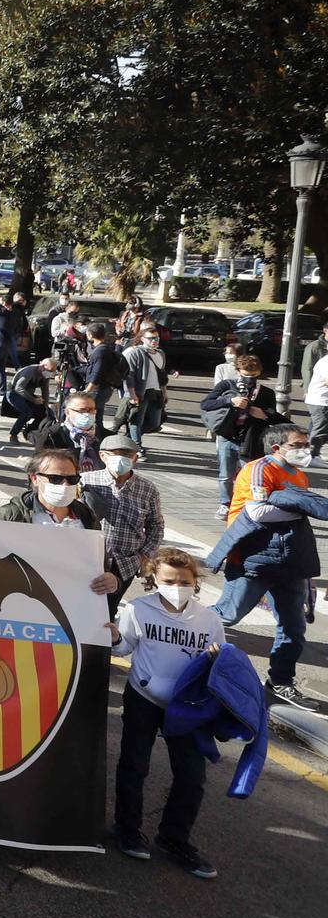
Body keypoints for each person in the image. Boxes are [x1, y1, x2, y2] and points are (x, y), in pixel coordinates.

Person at [111, 547, 224, 878]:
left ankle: (174, 838)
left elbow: (219, 663)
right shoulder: (137, 609)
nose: (177, 586)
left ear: (195, 583)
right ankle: (127, 829)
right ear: (154, 580)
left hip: (187, 707)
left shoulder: (209, 619)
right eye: (169, 580)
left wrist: (218, 659)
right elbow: (123, 647)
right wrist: (116, 636)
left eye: (184, 581)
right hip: (144, 697)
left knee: (192, 776)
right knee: (134, 765)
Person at [207, 423, 319, 709]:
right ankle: (175, 629)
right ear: (276, 448)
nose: (304, 449)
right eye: (297, 445)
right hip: (252, 559)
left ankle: (280, 680)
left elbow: (296, 520)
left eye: (305, 443)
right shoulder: (259, 469)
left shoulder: (300, 476)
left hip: (290, 564)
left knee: (293, 629)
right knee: (228, 615)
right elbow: (257, 511)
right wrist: (300, 507)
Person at [0, 447, 121, 599]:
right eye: (55, 479)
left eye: (72, 479)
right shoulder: (10, 516)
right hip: (20, 605)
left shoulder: (87, 517)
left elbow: (100, 567)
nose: (65, 485)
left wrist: (113, 582)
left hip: (71, 606)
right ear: (35, 479)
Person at [82, 435, 165, 619]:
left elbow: (156, 525)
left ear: (135, 458)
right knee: (83, 607)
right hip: (88, 558)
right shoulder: (86, 481)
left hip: (125, 563)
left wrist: (145, 555)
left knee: (108, 611)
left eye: (128, 455)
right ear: (103, 456)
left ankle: (105, 642)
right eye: (116, 454)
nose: (122, 459)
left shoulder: (147, 489)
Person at [201, 356, 277, 521]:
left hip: (250, 439)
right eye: (245, 375)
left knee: (250, 475)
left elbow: (273, 416)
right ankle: (225, 504)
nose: (249, 379)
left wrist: (263, 414)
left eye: (254, 375)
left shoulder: (266, 392)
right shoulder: (227, 385)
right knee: (226, 474)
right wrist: (230, 401)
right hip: (227, 436)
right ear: (238, 372)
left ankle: (245, 504)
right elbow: (206, 404)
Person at [120, 323, 168, 447]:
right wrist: (132, 393)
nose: (154, 341)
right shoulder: (135, 352)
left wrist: (164, 392)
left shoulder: (160, 353)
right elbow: (129, 374)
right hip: (140, 392)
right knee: (136, 420)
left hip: (156, 392)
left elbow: (162, 376)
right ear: (142, 339)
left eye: (156, 338)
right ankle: (137, 446)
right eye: (151, 338)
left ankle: (129, 439)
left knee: (154, 422)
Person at [32, 391, 104, 471]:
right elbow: (37, 469)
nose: (87, 414)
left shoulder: (105, 436)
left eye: (91, 410)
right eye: (82, 410)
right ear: (67, 412)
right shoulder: (51, 436)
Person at [5, 356, 60, 444]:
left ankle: (29, 432)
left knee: (47, 413)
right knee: (27, 412)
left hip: (27, 394)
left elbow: (45, 390)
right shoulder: (29, 371)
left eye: (53, 371)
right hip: (14, 393)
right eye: (50, 371)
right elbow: (18, 388)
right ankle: (13, 434)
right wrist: (33, 400)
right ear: (42, 366)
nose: (51, 373)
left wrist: (45, 406)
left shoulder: (45, 375)